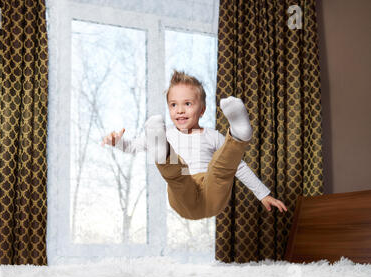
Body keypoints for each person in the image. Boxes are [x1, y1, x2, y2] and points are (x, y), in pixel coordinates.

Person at [101, 70, 287, 220]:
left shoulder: (211, 136)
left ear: (202, 110)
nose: (180, 110)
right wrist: (117, 142)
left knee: (221, 169)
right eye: (173, 105)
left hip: (211, 190)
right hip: (183, 194)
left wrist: (263, 194)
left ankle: (238, 136)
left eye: (187, 104)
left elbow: (237, 165)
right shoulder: (164, 133)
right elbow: (132, 147)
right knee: (177, 175)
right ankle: (163, 153)